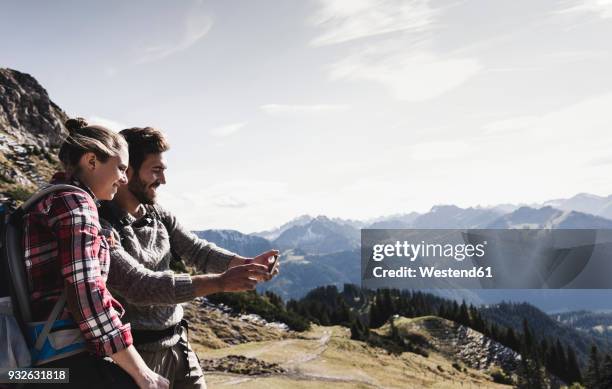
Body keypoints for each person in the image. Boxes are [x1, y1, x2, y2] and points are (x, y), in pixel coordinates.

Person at [99, 126, 279, 389]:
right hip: (139, 355)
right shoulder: (102, 224)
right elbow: (140, 286)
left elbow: (197, 250)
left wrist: (249, 264)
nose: (163, 180)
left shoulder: (158, 214)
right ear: (126, 172)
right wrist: (219, 283)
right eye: (156, 170)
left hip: (179, 344)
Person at [23, 118, 169, 389]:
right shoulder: (76, 203)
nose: (124, 179)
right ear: (92, 161)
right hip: (66, 360)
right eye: (121, 168)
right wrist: (142, 373)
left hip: (34, 360)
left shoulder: (45, 199)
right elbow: (87, 292)